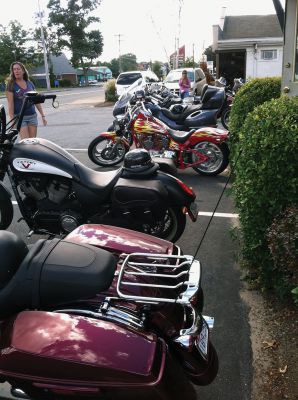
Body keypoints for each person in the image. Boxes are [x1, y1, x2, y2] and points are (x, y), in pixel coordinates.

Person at [5, 61, 47, 140]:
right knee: (25, 142)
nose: (16, 71)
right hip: (20, 118)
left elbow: (36, 101)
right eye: (14, 69)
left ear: (23, 71)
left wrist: (43, 115)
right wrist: (12, 123)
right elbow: (10, 105)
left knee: (32, 142)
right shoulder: (11, 85)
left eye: (18, 69)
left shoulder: (30, 83)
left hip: (32, 116)